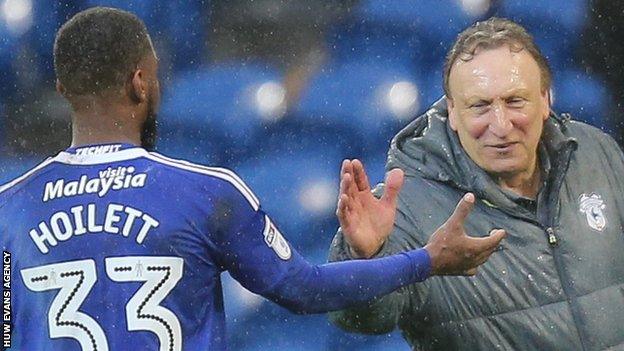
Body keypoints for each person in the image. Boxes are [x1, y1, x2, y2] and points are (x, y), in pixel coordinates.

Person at [0, 7, 506, 351]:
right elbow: (304, 290)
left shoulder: (9, 208)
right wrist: (425, 260)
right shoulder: (206, 193)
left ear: (63, 89)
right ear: (141, 81)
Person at [329, 17, 624, 350]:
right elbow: (360, 319)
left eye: (515, 101)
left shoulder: (595, 152)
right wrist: (364, 259)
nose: (500, 125)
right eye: (480, 106)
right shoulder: (406, 208)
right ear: (452, 112)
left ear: (545, 99)